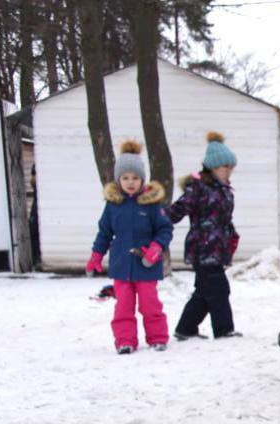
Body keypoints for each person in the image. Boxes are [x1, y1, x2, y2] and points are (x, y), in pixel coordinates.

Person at [86, 139, 173, 354]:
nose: (130, 182)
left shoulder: (151, 204)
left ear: (142, 179)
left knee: (149, 305)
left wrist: (156, 247)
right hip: (121, 265)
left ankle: (157, 338)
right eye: (125, 178)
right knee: (123, 307)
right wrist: (96, 254)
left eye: (135, 178)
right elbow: (104, 232)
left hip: (146, 265)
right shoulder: (113, 205)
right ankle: (125, 341)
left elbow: (165, 230)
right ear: (118, 180)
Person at [170, 131, 241, 340]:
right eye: (225, 167)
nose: (229, 171)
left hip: (218, 247)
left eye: (231, 167)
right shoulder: (199, 188)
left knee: (204, 291)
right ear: (213, 166)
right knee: (219, 289)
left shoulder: (225, 190)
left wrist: (232, 236)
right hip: (203, 247)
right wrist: (157, 222)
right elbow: (179, 209)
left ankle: (186, 329)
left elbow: (224, 219)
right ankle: (224, 329)